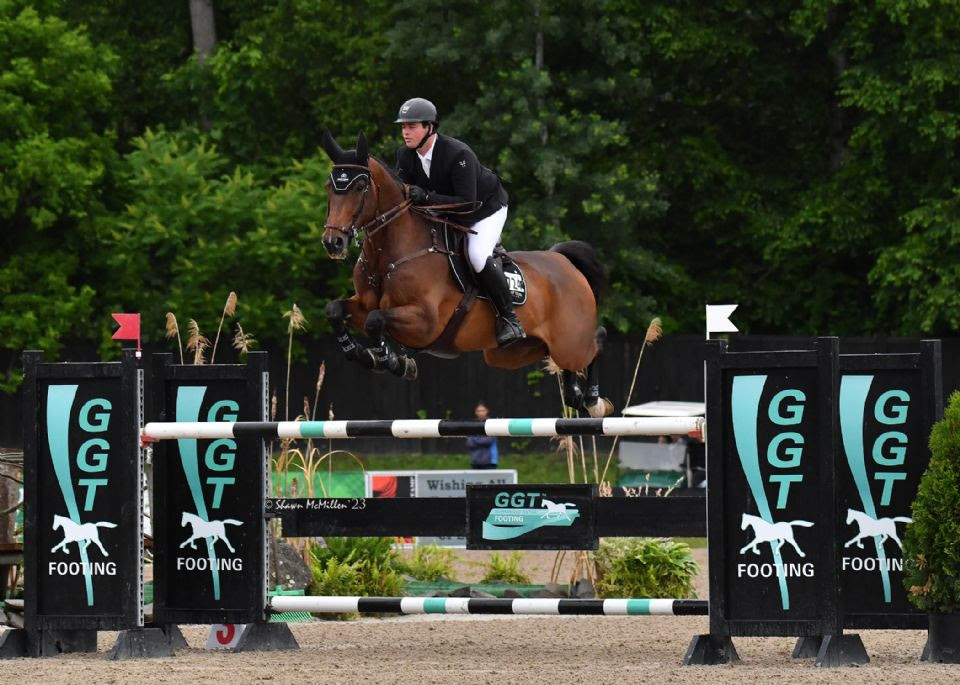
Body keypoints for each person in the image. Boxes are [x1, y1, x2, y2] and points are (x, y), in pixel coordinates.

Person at [394, 97, 525, 347]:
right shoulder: (405, 155)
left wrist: (428, 197)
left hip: (484, 209)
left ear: (429, 127)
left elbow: (467, 202)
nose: (405, 132)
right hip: (442, 210)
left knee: (476, 254)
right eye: (403, 126)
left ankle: (510, 320)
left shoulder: (458, 154)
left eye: (411, 126)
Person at [466, 401, 499, 469]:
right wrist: (480, 438)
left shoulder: (492, 423)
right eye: (479, 411)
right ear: (475, 412)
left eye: (483, 410)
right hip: (475, 461)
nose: (481, 413)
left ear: (487, 411)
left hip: (489, 461)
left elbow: (487, 441)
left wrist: (475, 438)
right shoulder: (472, 424)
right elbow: (469, 443)